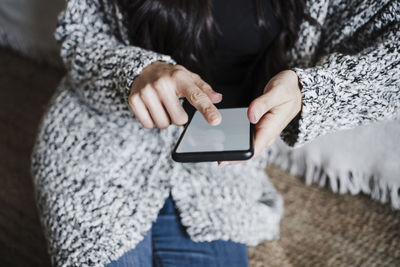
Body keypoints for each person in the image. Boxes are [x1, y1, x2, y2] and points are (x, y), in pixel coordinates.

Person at [30, 0, 399, 266]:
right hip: (96, 145)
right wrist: (135, 73)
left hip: (220, 172)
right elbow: (79, 34)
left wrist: (314, 92)